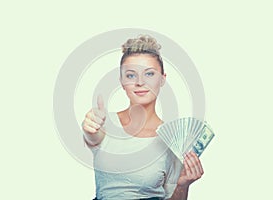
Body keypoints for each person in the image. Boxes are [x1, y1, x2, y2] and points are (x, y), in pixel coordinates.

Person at [82, 35, 204, 200]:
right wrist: (89, 128)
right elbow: (92, 136)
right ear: (122, 81)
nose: (140, 82)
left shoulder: (172, 139)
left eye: (149, 74)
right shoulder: (104, 123)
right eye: (131, 75)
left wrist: (183, 185)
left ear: (162, 79)